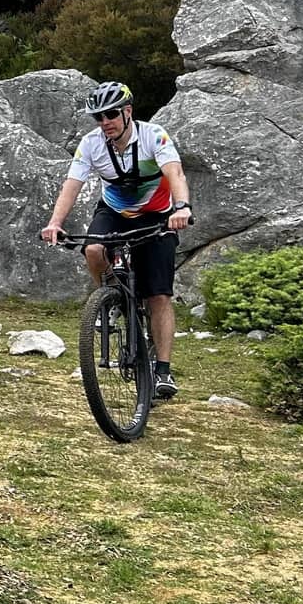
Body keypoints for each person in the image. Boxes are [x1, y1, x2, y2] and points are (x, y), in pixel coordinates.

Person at [38, 81, 194, 399]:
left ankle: (162, 371)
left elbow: (175, 173)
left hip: (158, 215)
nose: (105, 122)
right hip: (114, 211)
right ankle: (111, 298)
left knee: (159, 297)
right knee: (94, 249)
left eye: (110, 114)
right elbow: (73, 183)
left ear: (127, 112)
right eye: (98, 117)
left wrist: (182, 207)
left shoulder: (153, 136)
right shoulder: (92, 143)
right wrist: (55, 223)